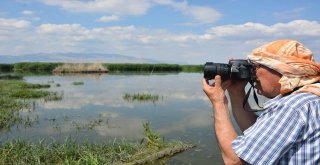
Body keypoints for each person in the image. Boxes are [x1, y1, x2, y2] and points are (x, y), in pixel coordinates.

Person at [202, 39, 320, 164]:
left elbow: (235, 161)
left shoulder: (291, 107)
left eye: (256, 66)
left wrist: (218, 102)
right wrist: (236, 93)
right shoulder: (309, 97)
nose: (252, 73)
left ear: (282, 69)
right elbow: (261, 139)